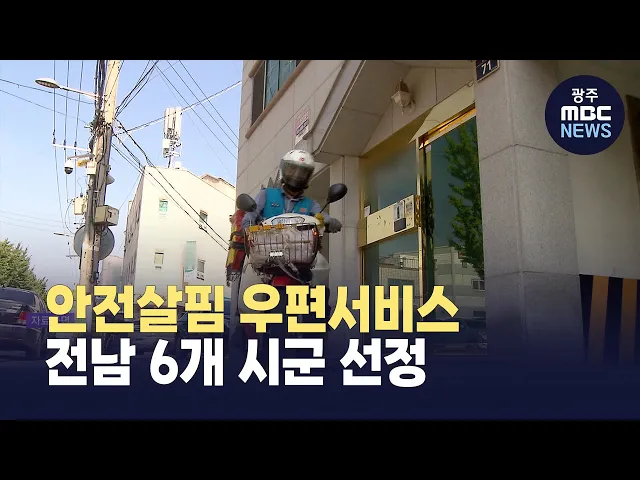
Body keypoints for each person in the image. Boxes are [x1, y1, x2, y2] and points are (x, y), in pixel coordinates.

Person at [240, 149, 343, 233]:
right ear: (284, 170)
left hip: (301, 250)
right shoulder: (266, 194)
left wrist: (330, 222)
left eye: (303, 173)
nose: (297, 176)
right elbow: (249, 217)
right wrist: (248, 228)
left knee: (319, 254)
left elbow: (322, 217)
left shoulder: (311, 204)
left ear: (308, 176)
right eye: (292, 171)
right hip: (265, 248)